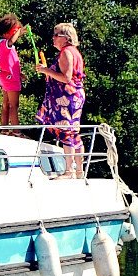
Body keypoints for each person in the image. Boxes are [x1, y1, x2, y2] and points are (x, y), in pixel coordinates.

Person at [36, 23, 87, 177]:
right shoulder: (75, 52)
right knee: (74, 133)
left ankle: (69, 170)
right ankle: (79, 171)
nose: (53, 38)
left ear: (65, 38)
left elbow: (66, 77)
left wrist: (46, 70)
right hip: (75, 96)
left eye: (56, 34)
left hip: (67, 98)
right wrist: (49, 72)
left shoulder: (66, 53)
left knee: (67, 132)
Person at [0, 13, 25, 126]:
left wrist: (19, 73)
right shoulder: (5, 44)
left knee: (6, 104)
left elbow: (9, 62)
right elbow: (12, 40)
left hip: (6, 76)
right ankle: (16, 130)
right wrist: (19, 30)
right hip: (10, 78)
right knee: (14, 105)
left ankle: (4, 128)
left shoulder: (3, 45)